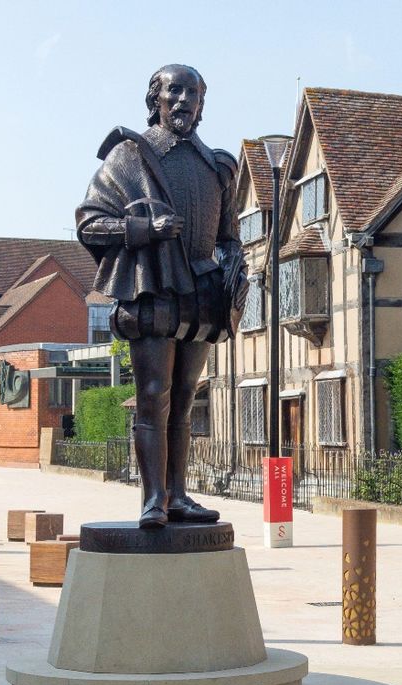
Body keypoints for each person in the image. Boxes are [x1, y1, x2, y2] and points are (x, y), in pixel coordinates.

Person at [77, 64, 248, 528]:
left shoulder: (217, 166)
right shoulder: (130, 156)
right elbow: (89, 223)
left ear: (201, 104)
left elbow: (228, 236)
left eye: (193, 94)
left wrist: (236, 263)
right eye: (174, 91)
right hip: (152, 288)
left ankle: (178, 495)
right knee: (154, 394)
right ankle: (153, 499)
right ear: (156, 98)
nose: (183, 101)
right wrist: (141, 229)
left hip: (203, 295)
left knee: (186, 397)